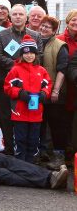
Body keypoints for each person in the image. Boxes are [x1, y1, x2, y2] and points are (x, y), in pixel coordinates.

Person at [0, 4, 43, 155]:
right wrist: (18, 66)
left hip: (30, 88)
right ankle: (9, 149)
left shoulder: (35, 36)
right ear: (10, 16)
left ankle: (27, 152)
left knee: (27, 121)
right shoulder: (1, 35)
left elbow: (40, 55)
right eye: (14, 14)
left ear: (26, 17)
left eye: (21, 14)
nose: (17, 17)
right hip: (7, 85)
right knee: (6, 118)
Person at [4, 35, 52, 163]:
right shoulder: (15, 70)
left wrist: (44, 93)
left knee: (34, 139)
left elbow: (48, 85)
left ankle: (32, 163)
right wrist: (19, 93)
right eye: (26, 53)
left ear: (36, 54)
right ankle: (20, 162)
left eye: (32, 53)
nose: (29, 55)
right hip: (20, 112)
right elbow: (7, 86)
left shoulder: (41, 70)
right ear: (21, 54)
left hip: (36, 113)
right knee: (20, 138)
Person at [39, 16, 68, 168]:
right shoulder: (35, 41)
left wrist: (55, 90)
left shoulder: (60, 45)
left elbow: (62, 70)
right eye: (42, 25)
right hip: (38, 93)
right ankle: (41, 153)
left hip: (55, 94)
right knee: (39, 124)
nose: (44, 28)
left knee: (56, 125)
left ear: (54, 30)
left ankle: (59, 158)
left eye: (48, 27)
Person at [57, 9, 77, 161]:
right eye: (73, 20)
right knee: (62, 122)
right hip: (62, 87)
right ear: (68, 21)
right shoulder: (59, 39)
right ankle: (64, 153)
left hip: (74, 88)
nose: (75, 23)